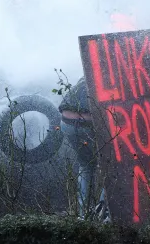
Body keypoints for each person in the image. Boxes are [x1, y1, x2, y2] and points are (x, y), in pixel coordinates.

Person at [58, 77, 110, 222]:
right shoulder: (114, 75)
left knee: (86, 165)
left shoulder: (88, 73)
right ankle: (103, 214)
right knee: (111, 166)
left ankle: (83, 215)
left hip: (66, 122)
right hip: (87, 123)